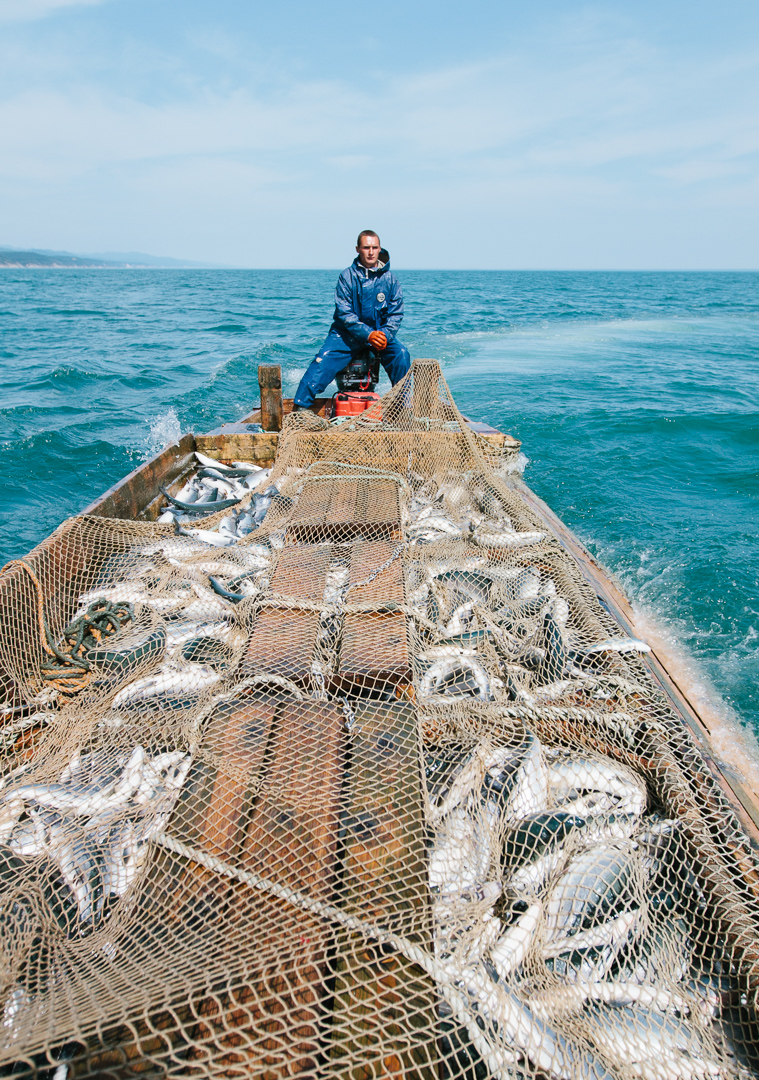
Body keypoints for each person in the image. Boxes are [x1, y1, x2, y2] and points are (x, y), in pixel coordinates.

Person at [293, 230, 411, 410]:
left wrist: (384, 335)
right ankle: (300, 408)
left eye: (374, 247)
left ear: (380, 249)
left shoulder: (391, 279)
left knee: (401, 354)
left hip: (380, 335)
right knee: (322, 361)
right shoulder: (346, 276)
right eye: (366, 247)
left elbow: (396, 314)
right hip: (346, 334)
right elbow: (344, 314)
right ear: (358, 249)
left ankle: (403, 409)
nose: (370, 252)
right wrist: (368, 334)